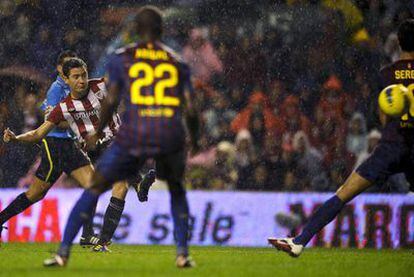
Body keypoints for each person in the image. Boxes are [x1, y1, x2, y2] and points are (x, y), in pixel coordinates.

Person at [43, 6, 199, 268]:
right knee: (177, 191)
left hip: (135, 130)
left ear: (136, 31)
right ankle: (182, 254)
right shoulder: (177, 60)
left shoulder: (122, 57)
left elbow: (112, 98)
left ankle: (62, 253)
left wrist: (95, 133)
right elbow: (191, 108)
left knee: (94, 188)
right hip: (169, 130)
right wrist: (193, 138)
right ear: (162, 30)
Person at [267, 19, 414, 257]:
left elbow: (384, 118)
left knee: (343, 193)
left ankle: (300, 241)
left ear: (398, 42)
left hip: (391, 147)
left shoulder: (386, 74)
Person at [3, 57, 155, 251]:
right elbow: (38, 133)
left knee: (118, 186)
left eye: (84, 75)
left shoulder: (100, 85)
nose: (82, 80)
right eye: (76, 77)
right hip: (89, 148)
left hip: (113, 141)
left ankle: (99, 238)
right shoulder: (62, 106)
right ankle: (137, 183)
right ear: (66, 79)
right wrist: (16, 138)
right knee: (38, 192)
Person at [0, 50, 100, 246]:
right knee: (35, 193)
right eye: (68, 70)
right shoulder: (56, 90)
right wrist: (83, 123)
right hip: (55, 145)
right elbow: (52, 122)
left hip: (69, 144)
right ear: (61, 71)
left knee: (93, 185)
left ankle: (88, 234)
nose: (77, 77)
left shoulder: (79, 89)